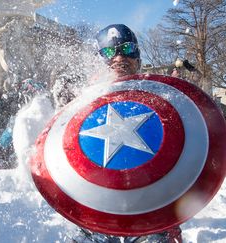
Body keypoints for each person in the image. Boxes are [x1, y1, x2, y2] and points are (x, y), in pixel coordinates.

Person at [68, 24, 183, 243]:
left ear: (138, 58)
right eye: (110, 52)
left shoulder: (159, 97)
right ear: (99, 60)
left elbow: (181, 147)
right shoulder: (84, 102)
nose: (119, 57)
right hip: (97, 207)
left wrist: (171, 216)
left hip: (150, 207)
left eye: (128, 49)